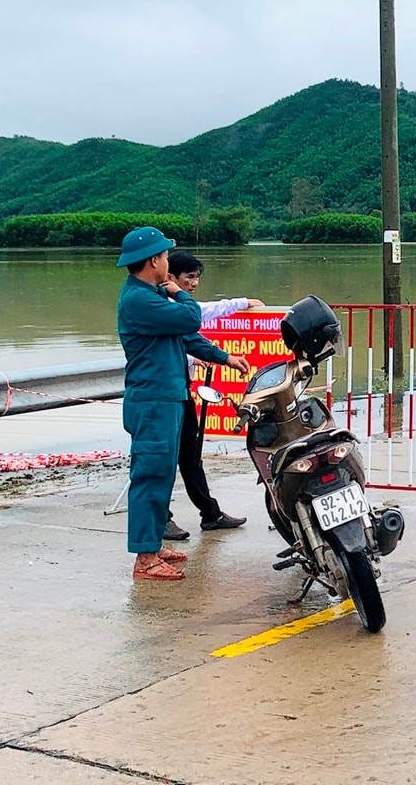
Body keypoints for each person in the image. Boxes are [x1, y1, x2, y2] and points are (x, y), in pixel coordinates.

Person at [115, 228, 248, 581]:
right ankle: (144, 559)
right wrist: (178, 293)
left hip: (170, 397)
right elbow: (191, 318)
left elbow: (188, 336)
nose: (168, 263)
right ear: (153, 262)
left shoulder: (152, 297)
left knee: (163, 476)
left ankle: (154, 545)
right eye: (164, 257)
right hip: (153, 400)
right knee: (149, 476)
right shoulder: (141, 300)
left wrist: (224, 358)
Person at [162, 251, 263, 540]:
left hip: (181, 392)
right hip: (163, 395)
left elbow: (198, 318)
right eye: (188, 277)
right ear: (169, 277)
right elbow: (188, 333)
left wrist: (242, 303)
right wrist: (209, 357)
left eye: (196, 278)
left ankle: (210, 513)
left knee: (190, 457)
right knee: (165, 460)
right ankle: (162, 519)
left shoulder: (177, 305)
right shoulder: (161, 306)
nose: (193, 283)